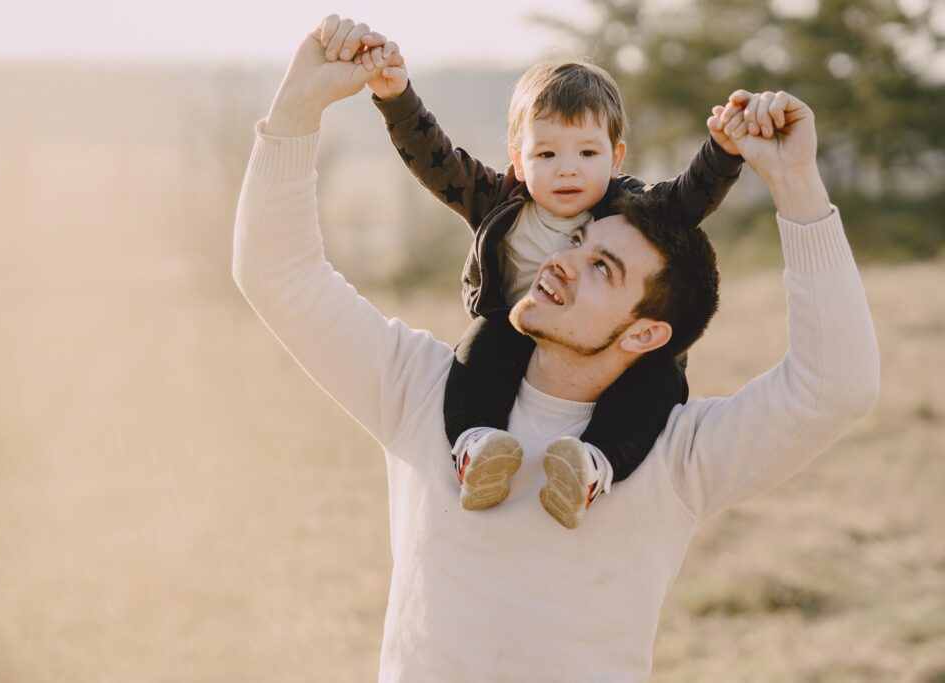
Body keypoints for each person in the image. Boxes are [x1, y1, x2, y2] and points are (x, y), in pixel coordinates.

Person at [233, 15, 879, 682]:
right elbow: (277, 275)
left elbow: (838, 386)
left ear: (645, 332)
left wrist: (795, 181)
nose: (567, 260)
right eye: (576, 242)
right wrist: (298, 103)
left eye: (604, 267)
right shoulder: (423, 388)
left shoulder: (676, 453)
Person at [360, 41, 745, 528]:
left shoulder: (629, 207)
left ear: (615, 157)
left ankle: (591, 467)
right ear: (519, 162)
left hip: (607, 346)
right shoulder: (499, 199)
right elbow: (435, 160)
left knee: (658, 378)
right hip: (519, 332)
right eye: (546, 153)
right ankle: (476, 446)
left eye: (587, 151)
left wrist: (724, 150)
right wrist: (395, 97)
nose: (568, 167)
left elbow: (690, 198)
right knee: (481, 341)